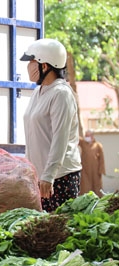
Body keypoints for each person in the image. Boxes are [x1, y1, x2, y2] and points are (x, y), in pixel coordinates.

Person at [20, 38, 82, 212]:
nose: (28, 67)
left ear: (44, 65)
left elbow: (59, 139)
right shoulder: (38, 92)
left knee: (59, 231)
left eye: (32, 62)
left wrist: (48, 176)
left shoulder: (61, 94)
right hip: (41, 177)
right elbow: (33, 135)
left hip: (59, 177)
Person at [79, 130, 105, 197]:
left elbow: (101, 159)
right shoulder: (83, 143)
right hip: (85, 171)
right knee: (85, 187)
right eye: (86, 136)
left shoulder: (98, 145)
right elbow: (77, 137)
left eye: (88, 136)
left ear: (92, 136)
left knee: (96, 187)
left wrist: (101, 170)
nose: (86, 137)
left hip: (95, 170)